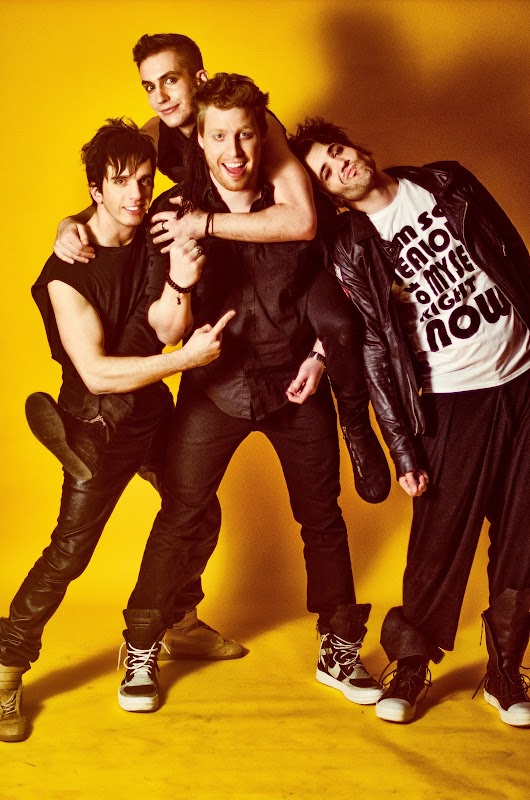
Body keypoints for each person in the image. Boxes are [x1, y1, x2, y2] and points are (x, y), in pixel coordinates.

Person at [117, 74, 386, 714]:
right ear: (200, 142)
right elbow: (166, 330)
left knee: (322, 517)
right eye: (218, 137)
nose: (233, 151)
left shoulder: (296, 204)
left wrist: (320, 356)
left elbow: (336, 288)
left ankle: (338, 647)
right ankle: (141, 644)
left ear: (262, 136)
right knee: (180, 513)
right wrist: (181, 283)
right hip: (215, 386)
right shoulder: (173, 211)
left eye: (244, 135)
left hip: (295, 384)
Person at [0, 119, 238, 743]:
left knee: (197, 510)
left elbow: (165, 329)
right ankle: (5, 666)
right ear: (96, 189)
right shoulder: (66, 271)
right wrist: (186, 362)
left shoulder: (154, 234)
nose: (136, 193)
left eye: (143, 179)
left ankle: (178, 619)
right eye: (120, 181)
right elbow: (100, 373)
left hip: (149, 410)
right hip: (98, 419)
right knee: (71, 552)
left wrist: (181, 281)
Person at [289, 117, 530, 727]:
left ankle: (505, 671)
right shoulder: (352, 245)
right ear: (329, 195)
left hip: (524, 379)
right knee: (437, 545)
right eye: (326, 172)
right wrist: (401, 449)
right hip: (451, 397)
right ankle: (411, 665)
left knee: (524, 535)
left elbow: (512, 255)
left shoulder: (447, 182)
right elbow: (370, 344)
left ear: (358, 147)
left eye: (338, 151)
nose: (341, 165)